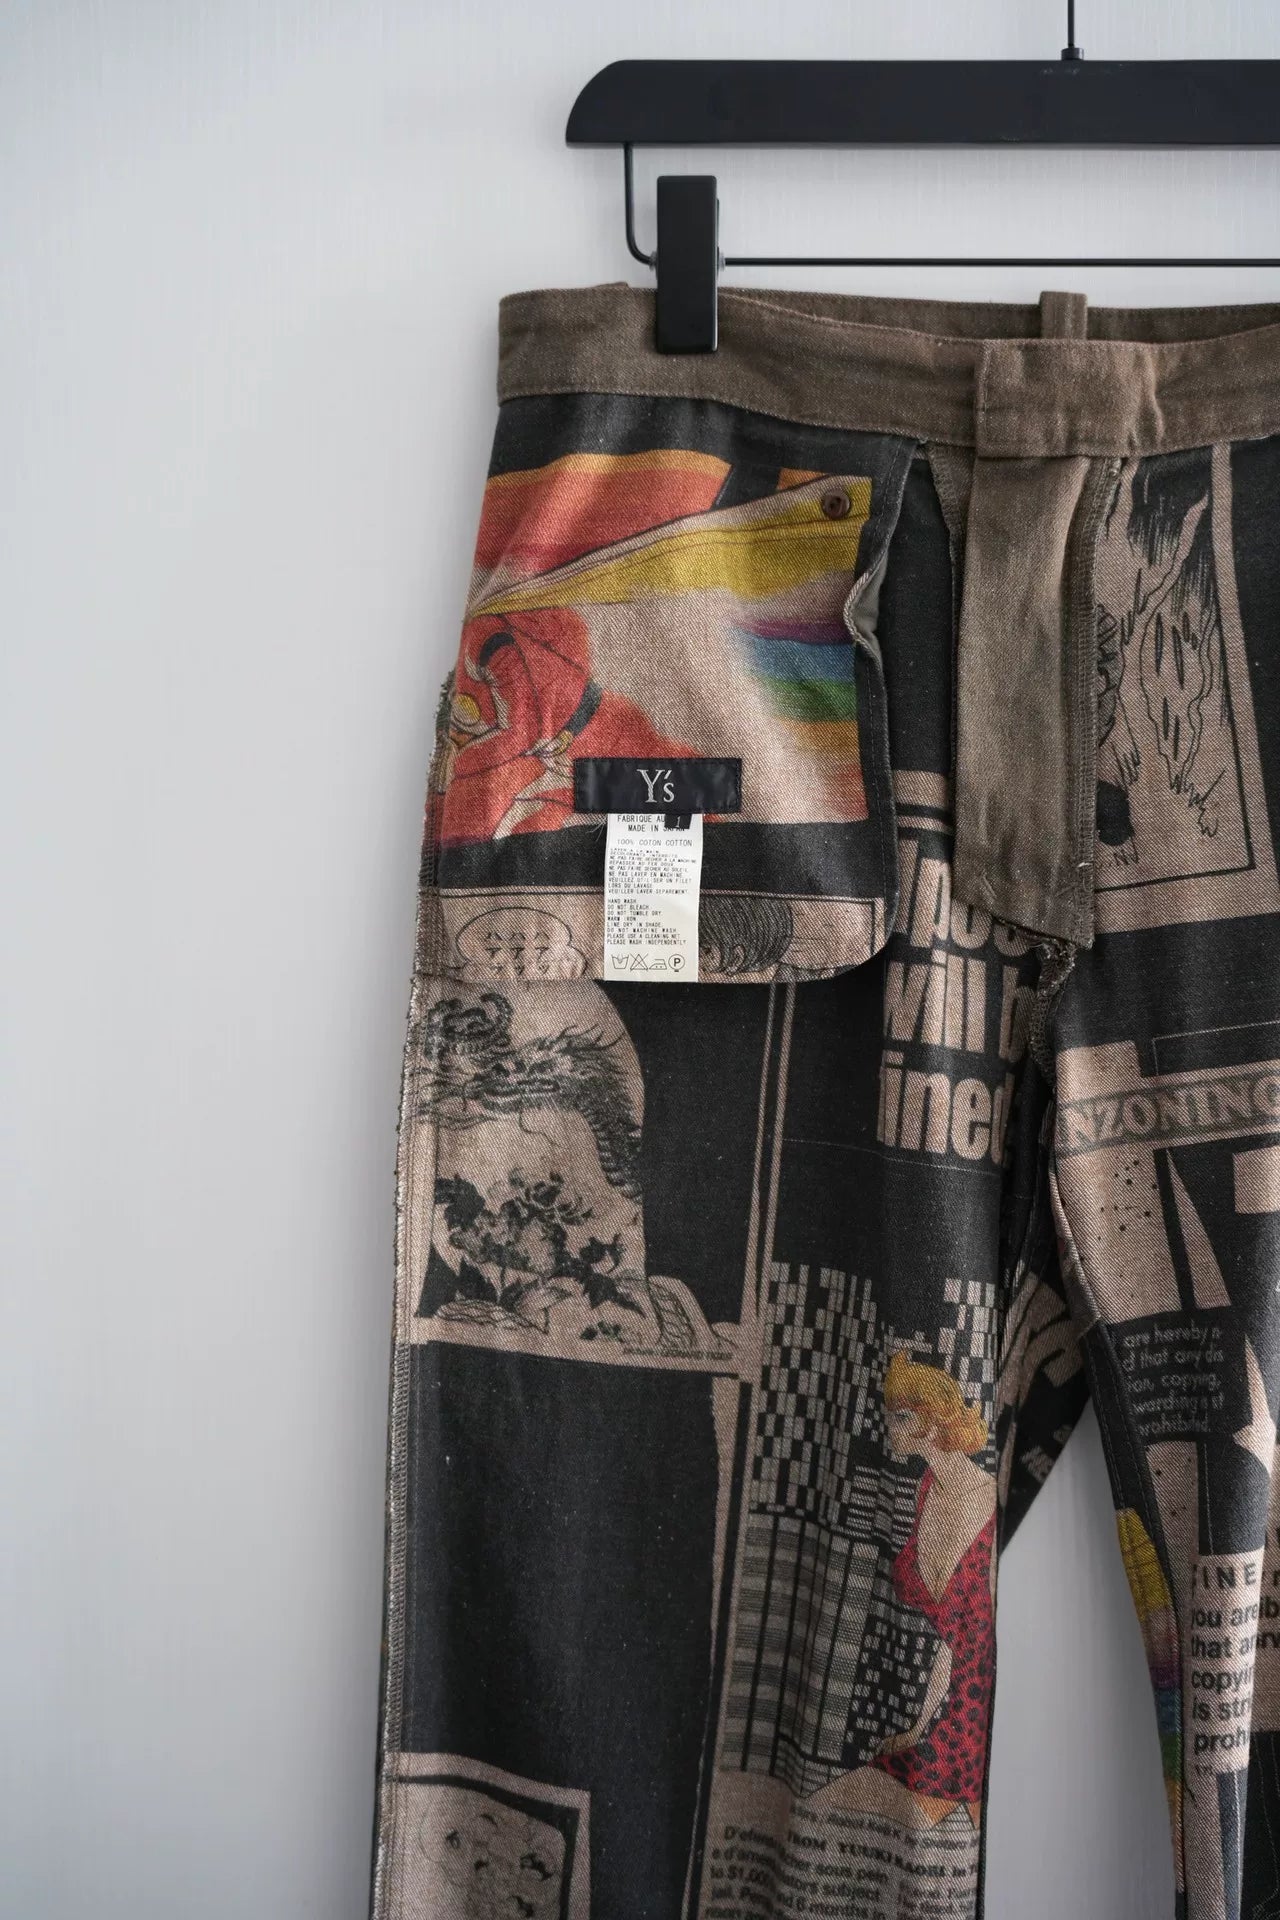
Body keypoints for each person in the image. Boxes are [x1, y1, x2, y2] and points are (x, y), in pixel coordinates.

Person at [807, 1352, 997, 1830]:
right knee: (827, 1812)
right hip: (946, 1722)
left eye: (901, 1417)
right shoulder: (926, 1489)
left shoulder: (986, 1500)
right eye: (889, 1415)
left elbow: (972, 1646)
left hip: (972, 1729)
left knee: (829, 1813)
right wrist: (916, 1726)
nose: (889, 1426)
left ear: (931, 1424)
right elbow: (950, 1648)